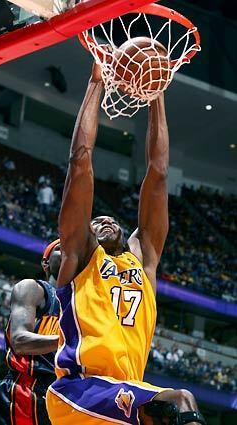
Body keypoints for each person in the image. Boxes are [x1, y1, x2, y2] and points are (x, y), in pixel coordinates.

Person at [46, 64, 206, 425]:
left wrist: (157, 94)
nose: (103, 219)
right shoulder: (81, 259)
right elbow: (80, 163)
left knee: (166, 406)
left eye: (109, 218)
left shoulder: (143, 260)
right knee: (179, 401)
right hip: (79, 389)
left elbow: (158, 172)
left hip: (123, 393)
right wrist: (95, 83)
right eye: (94, 221)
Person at [0, 239, 61, 425]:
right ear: (46, 263)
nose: (69, 249)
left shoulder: (82, 304)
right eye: (61, 248)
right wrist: (70, 340)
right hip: (24, 390)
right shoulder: (33, 289)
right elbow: (20, 341)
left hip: (61, 396)